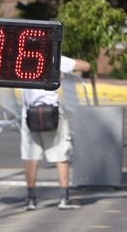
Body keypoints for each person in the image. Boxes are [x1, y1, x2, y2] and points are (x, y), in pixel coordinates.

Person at [20, 54, 91, 211]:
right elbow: (85, 66)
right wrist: (64, 71)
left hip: (29, 115)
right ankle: (64, 198)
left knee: (31, 158)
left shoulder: (22, 58)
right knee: (61, 156)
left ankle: (31, 200)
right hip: (52, 114)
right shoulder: (54, 58)